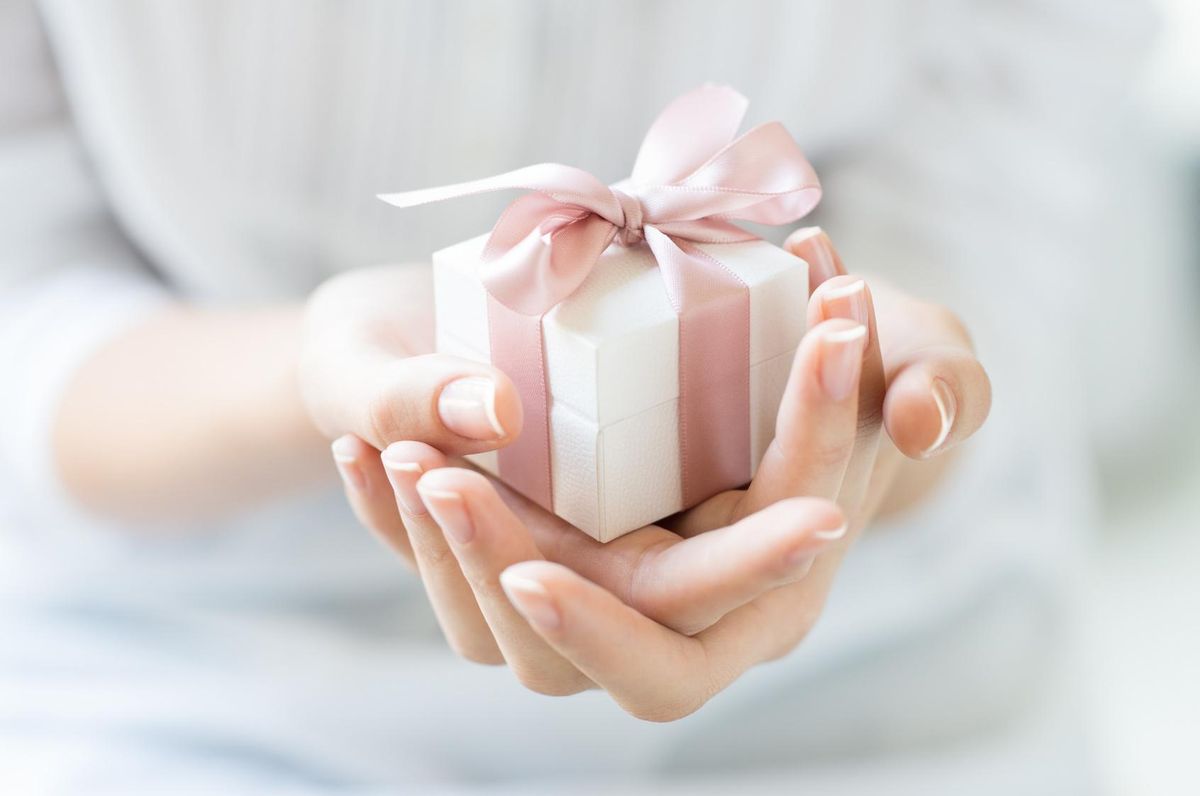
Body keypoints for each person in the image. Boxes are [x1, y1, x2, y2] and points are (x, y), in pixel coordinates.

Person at [0, 1, 1149, 793]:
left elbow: (984, 230)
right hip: (198, 673)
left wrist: (874, 411)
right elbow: (29, 316)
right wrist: (315, 372)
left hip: (893, 676)